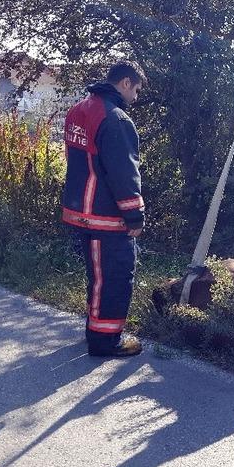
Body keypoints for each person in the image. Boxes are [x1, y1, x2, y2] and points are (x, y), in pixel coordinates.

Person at [62, 61, 148, 357]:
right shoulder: (117, 119)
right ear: (125, 83)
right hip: (105, 214)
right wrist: (134, 214)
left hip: (80, 210)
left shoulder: (80, 109)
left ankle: (94, 329)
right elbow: (124, 172)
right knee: (114, 277)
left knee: (97, 275)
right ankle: (105, 341)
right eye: (135, 89)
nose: (135, 97)